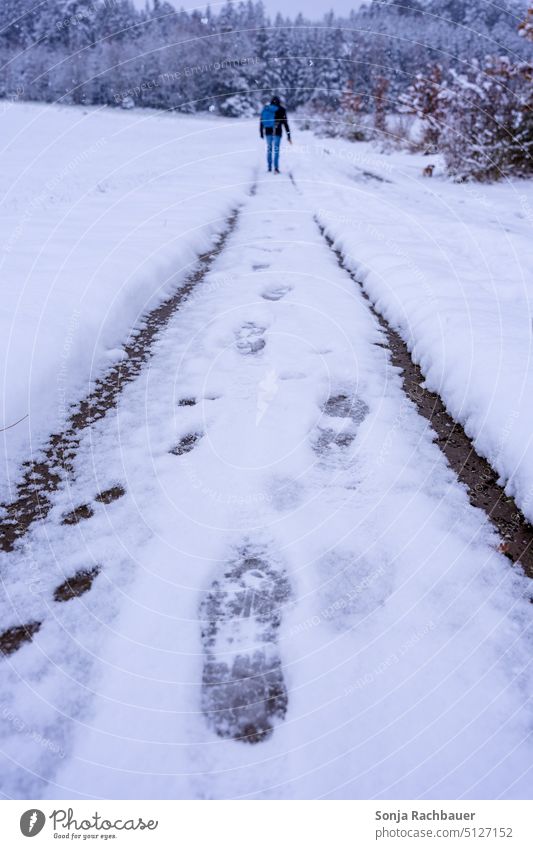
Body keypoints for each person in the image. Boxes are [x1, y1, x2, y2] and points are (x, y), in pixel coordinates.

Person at [259, 95, 291, 173]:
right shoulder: (282, 109)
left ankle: (269, 167)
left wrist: (261, 132)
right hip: (278, 132)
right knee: (276, 150)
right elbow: (285, 123)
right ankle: (276, 168)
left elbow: (262, 121)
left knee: (269, 149)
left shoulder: (267, 109)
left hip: (268, 132)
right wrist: (288, 135)